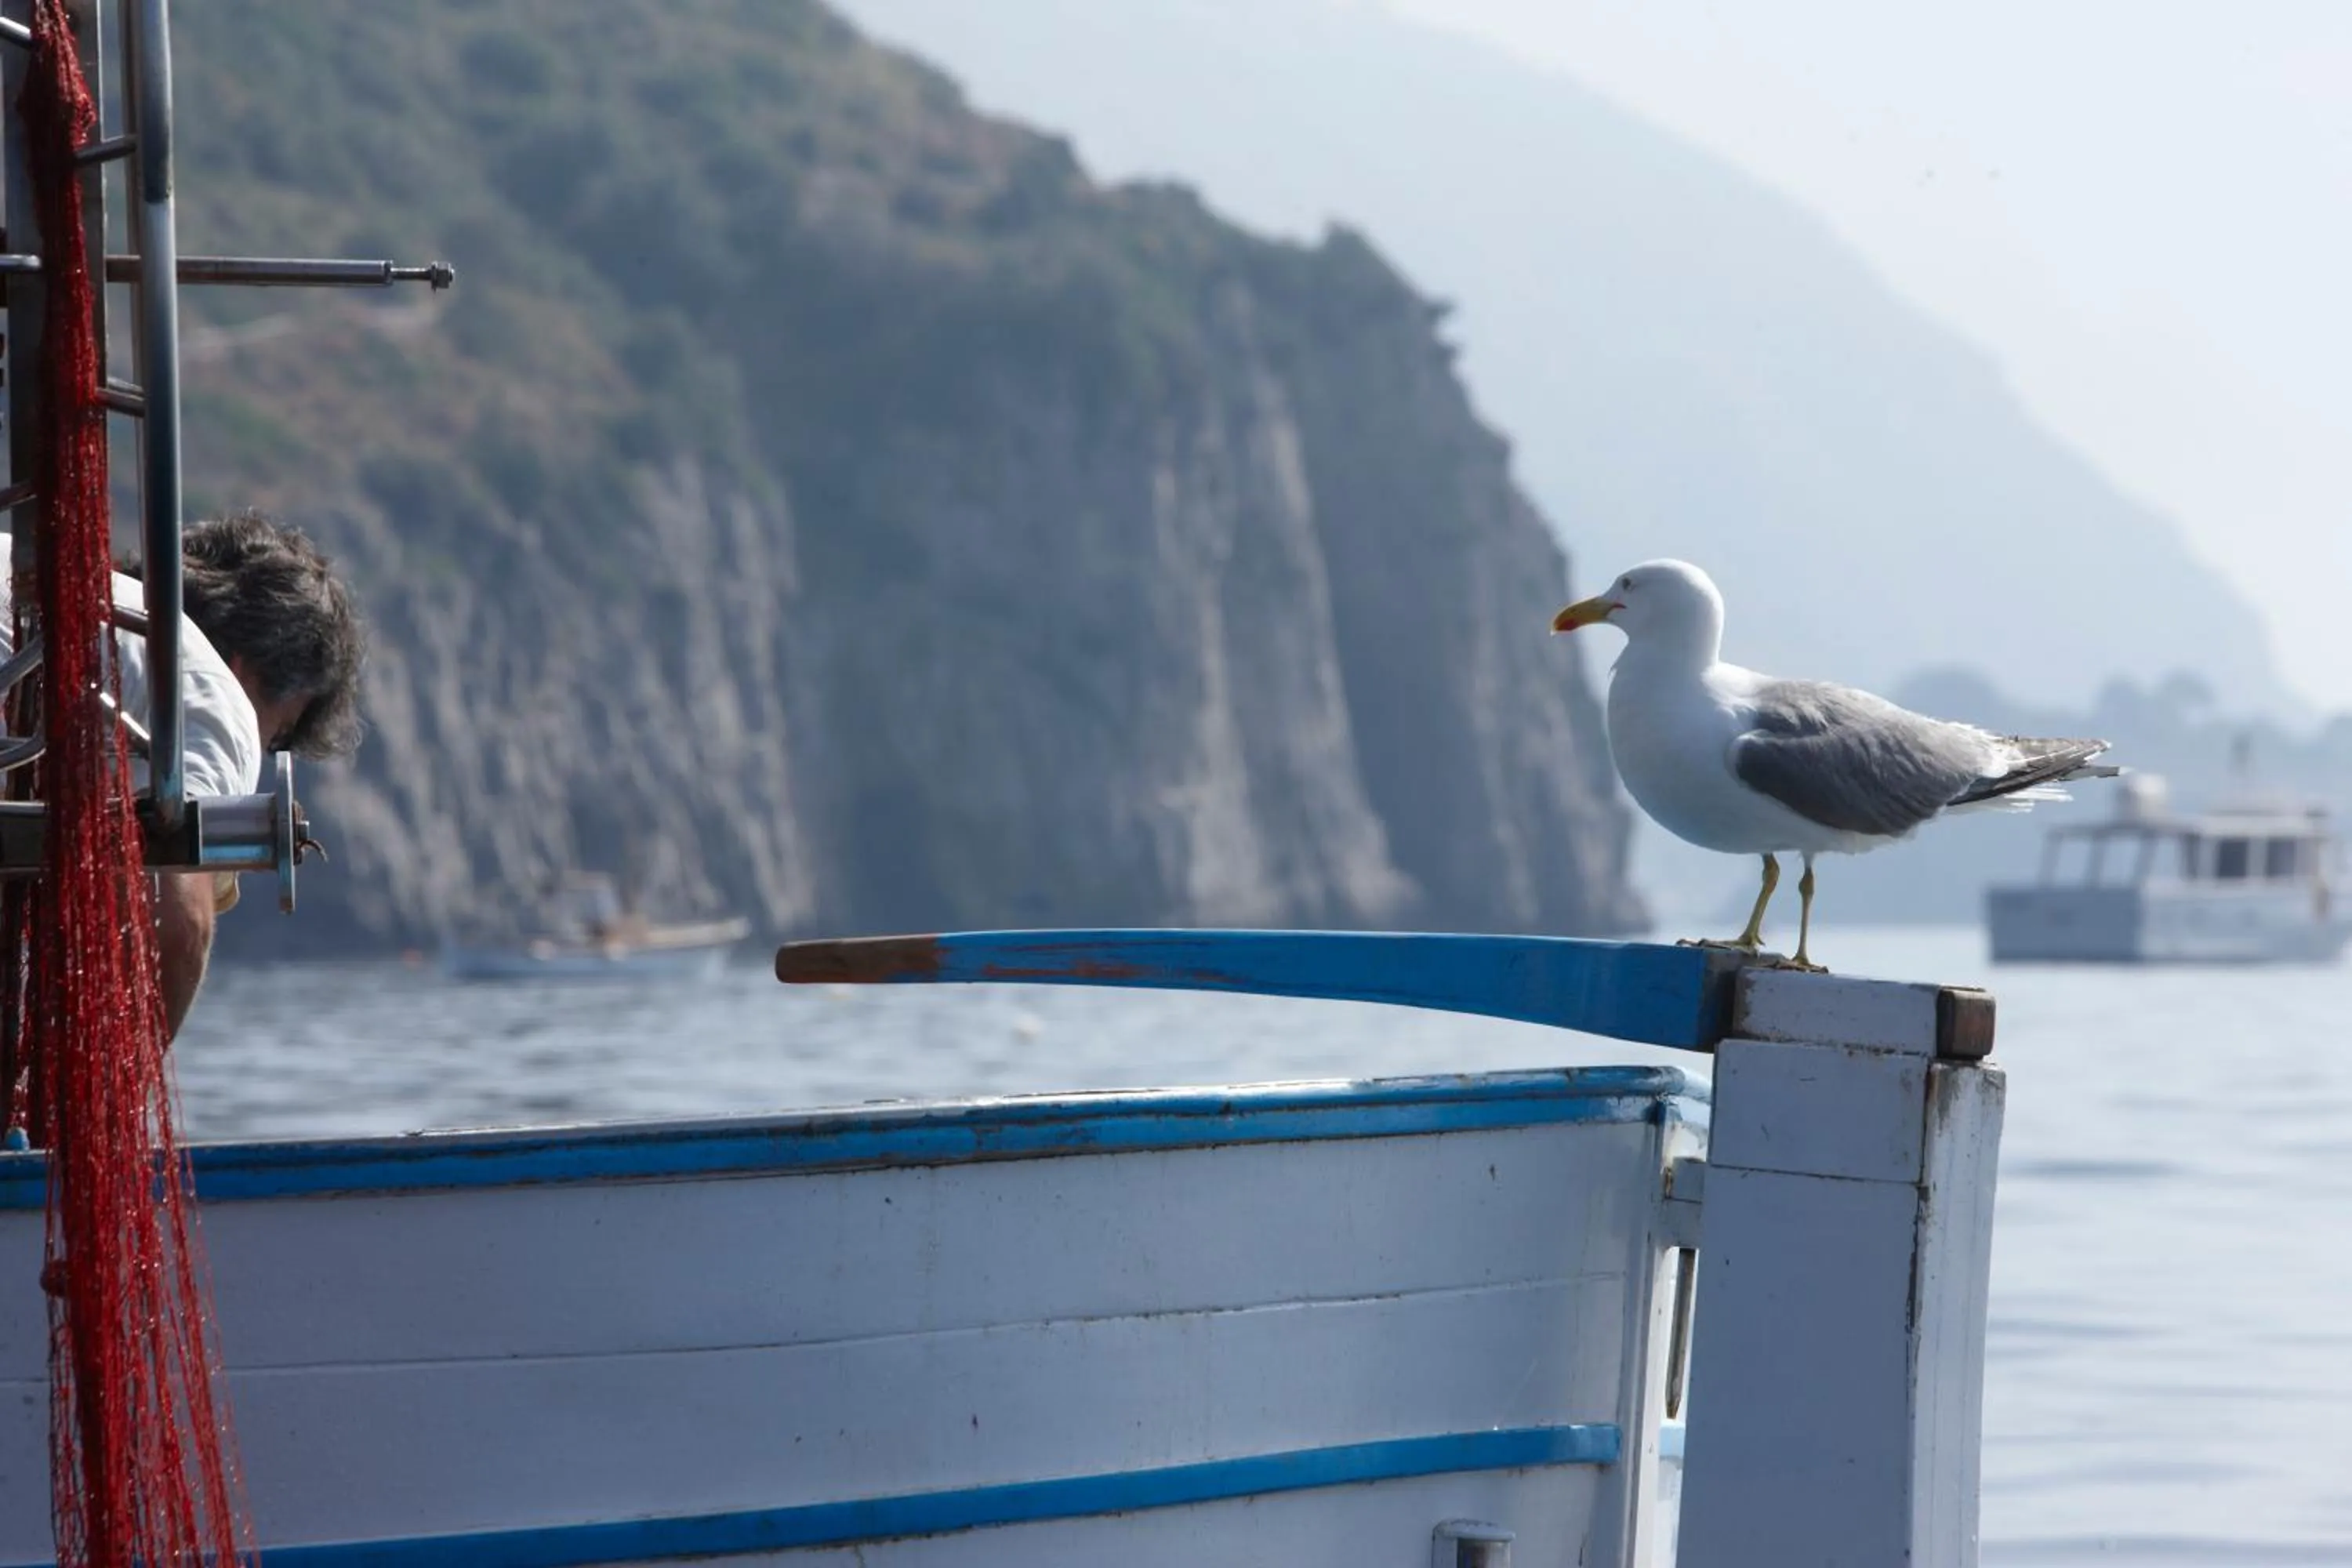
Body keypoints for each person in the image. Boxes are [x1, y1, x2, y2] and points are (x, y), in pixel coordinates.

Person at [0, 510, 368, 1037]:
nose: (260, 756)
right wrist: (110, 1107)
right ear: (245, 670)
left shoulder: (39, 575)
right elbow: (177, 922)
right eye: (278, 734)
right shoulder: (211, 692)